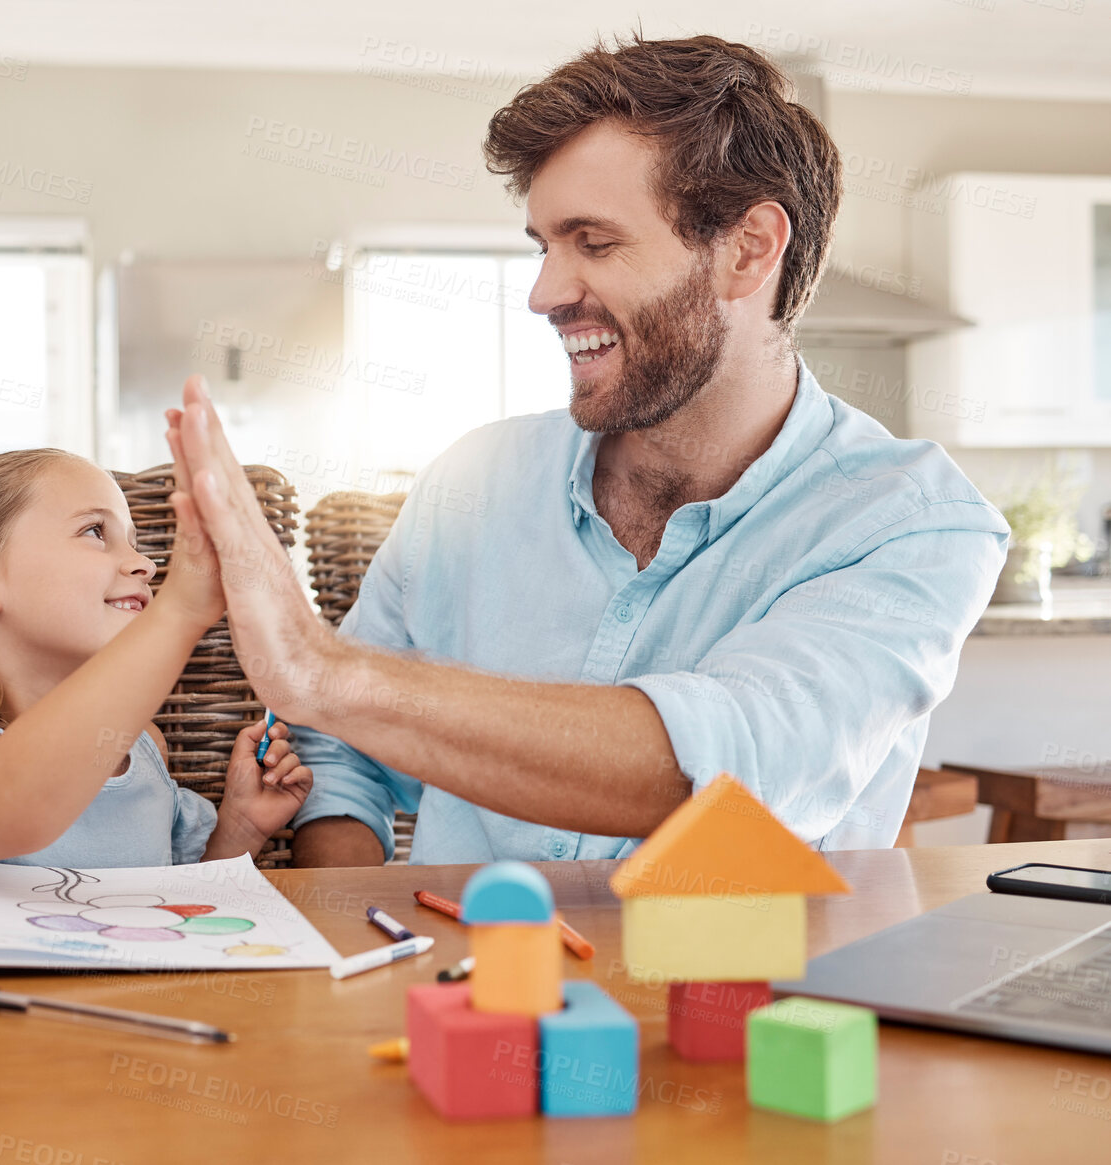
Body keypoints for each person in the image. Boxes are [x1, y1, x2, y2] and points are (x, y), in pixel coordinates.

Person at [163, 35, 1008, 867]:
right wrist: (358, 934)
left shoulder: (911, 520)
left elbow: (728, 774)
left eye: (594, 243)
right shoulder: (476, 479)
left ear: (748, 250)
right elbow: (338, 752)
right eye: (544, 247)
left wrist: (325, 668)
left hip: (737, 999)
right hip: (457, 993)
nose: (544, 293)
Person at [0, 448, 312, 871]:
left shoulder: (141, 750)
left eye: (136, 543)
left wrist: (238, 831)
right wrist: (179, 613)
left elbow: (166, 906)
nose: (146, 565)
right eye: (96, 531)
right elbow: (10, 812)